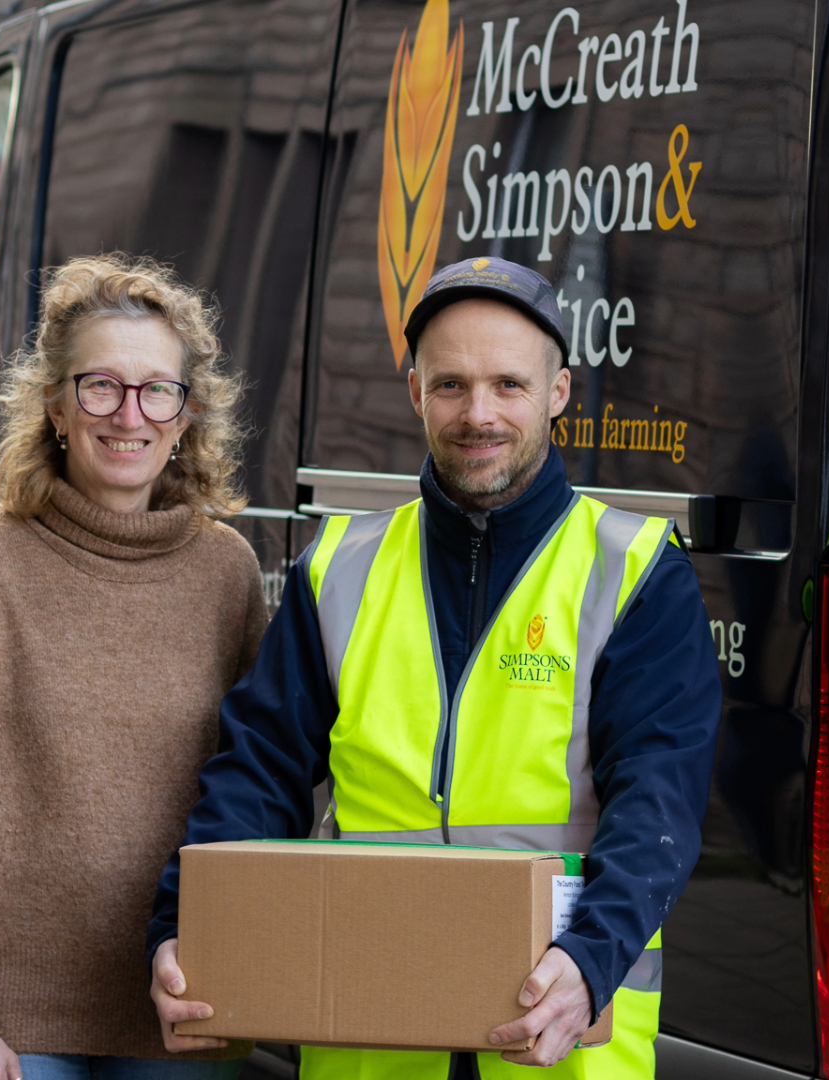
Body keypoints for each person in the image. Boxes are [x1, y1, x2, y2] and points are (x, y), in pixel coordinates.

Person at [145, 256, 721, 1079]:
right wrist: (184, 929)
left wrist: (592, 961)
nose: (477, 413)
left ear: (559, 393)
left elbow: (658, 801)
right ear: (415, 392)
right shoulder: (340, 568)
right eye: (450, 385)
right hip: (368, 1038)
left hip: (555, 1035)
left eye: (508, 386)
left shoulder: (633, 569)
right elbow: (256, 771)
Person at [0, 255, 267, 1080]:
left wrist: (244, 978)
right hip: (11, 1028)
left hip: (185, 1013)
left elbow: (263, 793)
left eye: (157, 390)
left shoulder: (227, 573)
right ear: (55, 404)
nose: (130, 414)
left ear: (186, 414)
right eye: (101, 386)